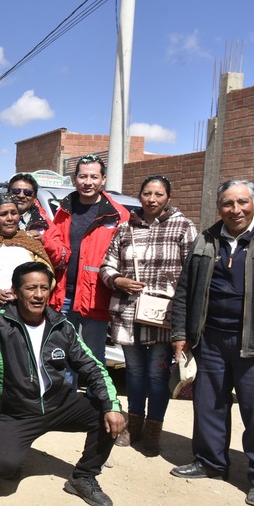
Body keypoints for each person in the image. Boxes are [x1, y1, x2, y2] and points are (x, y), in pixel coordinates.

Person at [0, 261, 126, 506]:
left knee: (112, 416)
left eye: (44, 288)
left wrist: (112, 405)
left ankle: (84, 477)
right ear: (15, 290)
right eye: (31, 288)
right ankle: (12, 448)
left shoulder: (62, 326)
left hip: (60, 404)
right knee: (5, 469)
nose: (38, 295)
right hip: (18, 413)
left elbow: (92, 366)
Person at [170, 179, 254, 506]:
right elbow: (185, 291)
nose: (235, 210)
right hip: (210, 339)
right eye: (227, 203)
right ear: (218, 207)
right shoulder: (205, 240)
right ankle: (210, 462)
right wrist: (180, 333)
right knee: (209, 404)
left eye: (242, 202)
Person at [100, 176, 196, 455]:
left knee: (156, 376)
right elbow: (107, 266)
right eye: (147, 193)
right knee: (134, 374)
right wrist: (118, 281)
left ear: (168, 197)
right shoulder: (125, 228)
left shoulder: (183, 227)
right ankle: (134, 424)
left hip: (163, 319)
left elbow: (193, 274)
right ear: (139, 195)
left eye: (159, 194)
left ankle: (154, 429)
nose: (152, 199)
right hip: (129, 315)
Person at [51, 154, 129, 366]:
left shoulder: (118, 215)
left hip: (96, 296)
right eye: (83, 176)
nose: (88, 182)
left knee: (93, 359)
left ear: (103, 179)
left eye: (94, 177)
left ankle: (97, 400)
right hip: (62, 296)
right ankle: (68, 399)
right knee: (62, 356)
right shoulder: (63, 210)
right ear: (74, 179)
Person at [6, 172, 68, 270]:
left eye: (27, 192)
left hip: (31, 282)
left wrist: (44, 242)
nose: (21, 195)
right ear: (8, 194)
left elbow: (63, 258)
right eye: (16, 191)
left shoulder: (44, 224)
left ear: (34, 197)